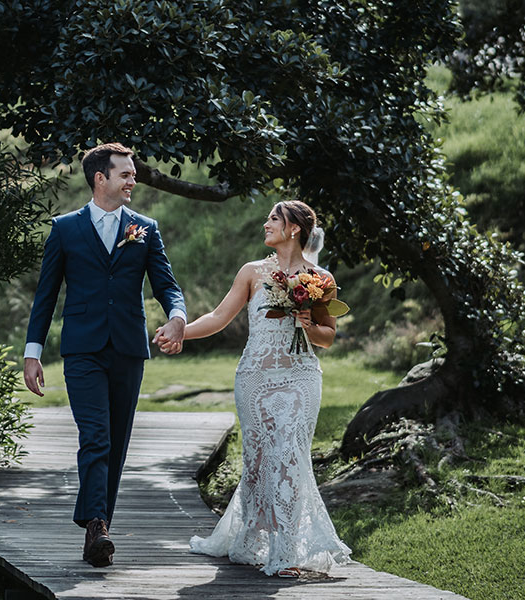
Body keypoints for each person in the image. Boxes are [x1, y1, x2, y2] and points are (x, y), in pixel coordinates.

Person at [23, 142, 187, 568]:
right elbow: (46, 295)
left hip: (129, 349)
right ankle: (97, 525)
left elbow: (166, 284)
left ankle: (97, 529)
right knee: (95, 436)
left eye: (132, 174)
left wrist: (177, 315)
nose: (134, 180)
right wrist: (32, 352)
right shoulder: (65, 228)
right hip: (82, 349)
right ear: (101, 178)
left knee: (115, 443)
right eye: (126, 174)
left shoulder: (145, 228)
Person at [171, 200, 351, 578]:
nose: (265, 224)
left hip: (301, 377)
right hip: (255, 378)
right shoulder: (252, 273)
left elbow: (328, 338)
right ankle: (252, 541)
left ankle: (287, 553)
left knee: (289, 454)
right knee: (258, 460)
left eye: (273, 218)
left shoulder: (321, 279)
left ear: (295, 228)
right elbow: (220, 317)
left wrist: (307, 322)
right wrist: (181, 331)